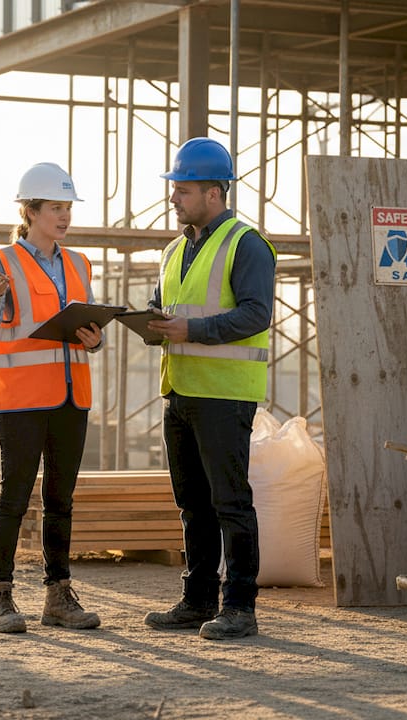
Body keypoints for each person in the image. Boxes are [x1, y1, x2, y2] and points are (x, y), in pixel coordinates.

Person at [142, 137, 277, 640]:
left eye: (183, 189)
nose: (174, 197)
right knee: (192, 504)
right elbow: (165, 308)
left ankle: (239, 606)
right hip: (180, 393)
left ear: (214, 193)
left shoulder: (247, 244)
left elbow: (255, 313)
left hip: (224, 394)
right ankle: (196, 601)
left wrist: (190, 331)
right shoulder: (175, 249)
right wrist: (148, 323)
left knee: (231, 503)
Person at [0, 162, 104, 634]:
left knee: (60, 499)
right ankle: (0, 597)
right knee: (13, 497)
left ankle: (58, 596)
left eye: (68, 207)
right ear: (30, 212)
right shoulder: (2, 262)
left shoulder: (79, 263)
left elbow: (88, 326)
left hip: (72, 398)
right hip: (22, 400)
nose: (65, 217)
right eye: (56, 208)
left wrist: (95, 339)